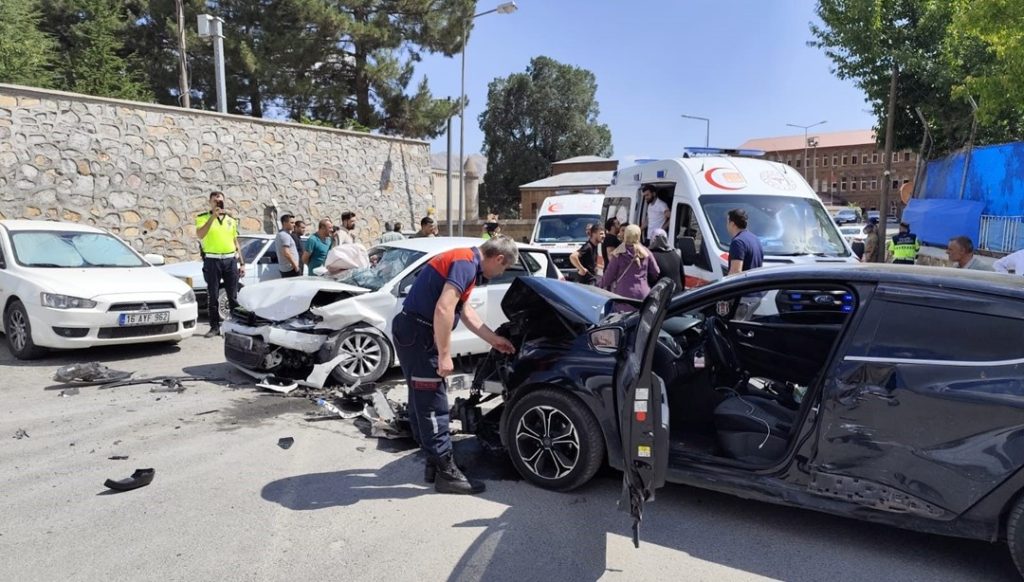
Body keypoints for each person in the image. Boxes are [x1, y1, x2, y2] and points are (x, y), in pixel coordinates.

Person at [391, 236, 519, 495]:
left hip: (411, 331)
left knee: (420, 398)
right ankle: (446, 472)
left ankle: (434, 463)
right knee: (433, 402)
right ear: (499, 259)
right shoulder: (465, 263)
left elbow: (465, 310)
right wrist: (444, 354)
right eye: (503, 269)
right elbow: (443, 309)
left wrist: (494, 340)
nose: (499, 274)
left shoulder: (464, 260)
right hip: (421, 334)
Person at [196, 191, 245, 337]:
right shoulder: (203, 218)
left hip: (230, 260)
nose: (218, 203)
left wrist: (242, 263)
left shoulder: (231, 220)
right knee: (213, 295)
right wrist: (213, 217)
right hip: (212, 260)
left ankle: (236, 325)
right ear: (210, 202)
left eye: (220, 201)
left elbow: (235, 242)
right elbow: (200, 234)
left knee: (233, 295)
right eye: (215, 200)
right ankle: (214, 327)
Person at [599, 224, 660, 307]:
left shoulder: (618, 253)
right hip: (643, 294)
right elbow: (656, 272)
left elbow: (608, 277)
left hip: (623, 296)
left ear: (626, 235)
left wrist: (598, 285)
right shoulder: (646, 252)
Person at [726, 208, 763, 274]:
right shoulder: (756, 239)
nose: (727, 225)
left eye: (727, 222)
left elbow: (735, 272)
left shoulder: (738, 242)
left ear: (732, 224)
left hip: (744, 284)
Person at [275, 214, 301, 278]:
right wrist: (295, 266)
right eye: (291, 223)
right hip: (290, 269)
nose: (294, 225)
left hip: (288, 268)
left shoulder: (282, 234)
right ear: (284, 223)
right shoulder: (284, 235)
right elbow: (286, 253)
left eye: (294, 223)